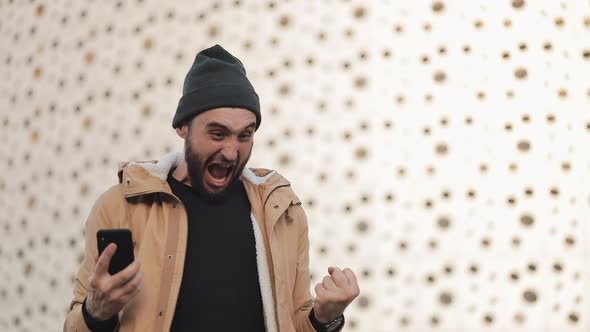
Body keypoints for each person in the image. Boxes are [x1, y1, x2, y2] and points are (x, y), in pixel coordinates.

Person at [63, 44, 359, 332]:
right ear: (183, 128)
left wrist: (324, 318)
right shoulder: (121, 206)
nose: (231, 152)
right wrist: (96, 314)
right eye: (217, 133)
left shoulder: (281, 211)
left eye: (245, 135)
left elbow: (295, 324)